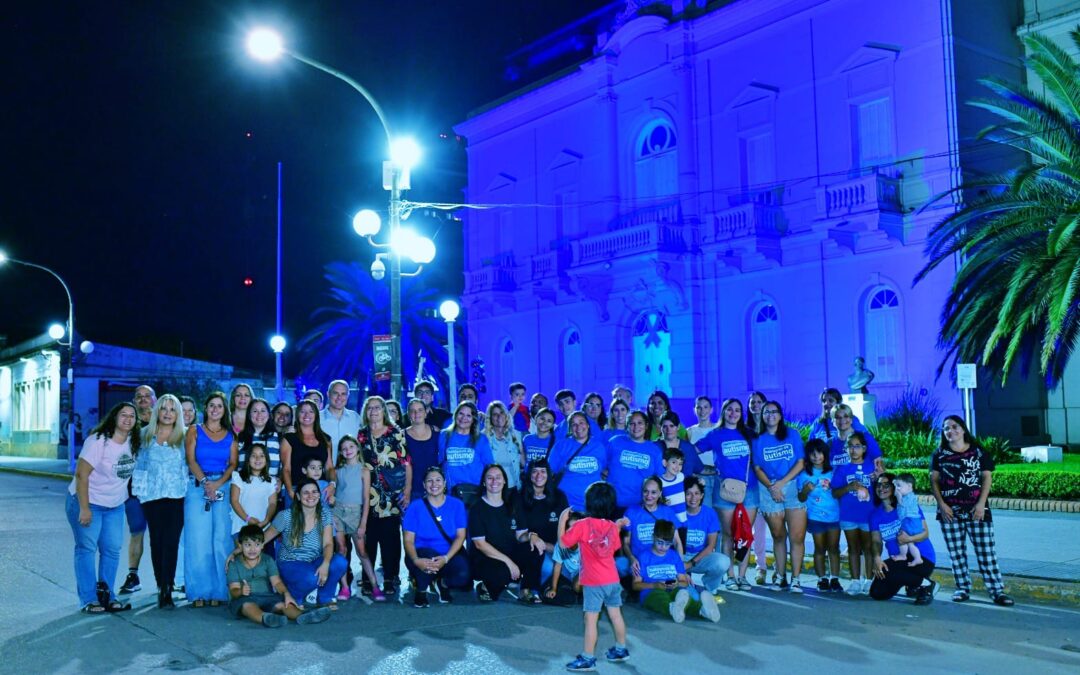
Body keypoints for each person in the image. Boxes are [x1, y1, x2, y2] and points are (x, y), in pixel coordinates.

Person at [930, 415, 1013, 606]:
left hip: (977, 511)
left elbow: (986, 478)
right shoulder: (939, 454)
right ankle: (962, 588)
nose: (950, 431)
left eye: (954, 427)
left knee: (986, 553)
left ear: (963, 429)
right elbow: (933, 480)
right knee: (956, 553)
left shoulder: (978, 451)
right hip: (949, 512)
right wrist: (942, 505)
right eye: (946, 428)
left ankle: (997, 591)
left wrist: (981, 504)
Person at [66, 402, 139, 613]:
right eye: (123, 414)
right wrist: (84, 508)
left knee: (112, 549)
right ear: (114, 417)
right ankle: (89, 599)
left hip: (115, 505)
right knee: (87, 549)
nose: (127, 419)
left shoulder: (134, 441)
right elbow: (81, 474)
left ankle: (107, 595)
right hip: (88, 501)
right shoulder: (99, 441)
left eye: (132, 416)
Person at [562, 482, 631, 671]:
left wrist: (562, 521)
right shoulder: (611, 526)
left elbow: (565, 542)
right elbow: (614, 547)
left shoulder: (582, 525)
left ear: (588, 503)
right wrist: (617, 527)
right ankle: (621, 649)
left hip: (593, 582)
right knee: (615, 615)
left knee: (590, 619)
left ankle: (588, 658)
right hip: (612, 579)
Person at [695, 397, 759, 591]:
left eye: (737, 410)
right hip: (724, 491)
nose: (733, 413)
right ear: (723, 412)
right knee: (728, 535)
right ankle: (730, 576)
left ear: (741, 413)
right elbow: (692, 450)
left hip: (749, 490)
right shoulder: (715, 434)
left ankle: (743, 576)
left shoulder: (749, 434)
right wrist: (704, 469)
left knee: (745, 534)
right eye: (729, 409)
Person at [256, 477, 349, 609]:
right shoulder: (286, 516)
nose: (311, 496)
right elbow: (263, 539)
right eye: (306, 492)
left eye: (314, 492)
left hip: (313, 560)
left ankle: (325, 598)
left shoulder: (325, 514)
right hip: (290, 563)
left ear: (319, 495)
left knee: (340, 562)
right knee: (311, 577)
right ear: (298, 496)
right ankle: (294, 597)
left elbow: (328, 544)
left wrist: (325, 564)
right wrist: (239, 550)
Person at [133, 394, 188, 609]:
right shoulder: (144, 435)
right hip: (151, 497)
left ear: (178, 414)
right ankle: (160, 585)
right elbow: (137, 465)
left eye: (172, 409)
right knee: (156, 541)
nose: (167, 413)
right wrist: (138, 493)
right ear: (157, 411)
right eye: (164, 408)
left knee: (171, 542)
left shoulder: (185, 436)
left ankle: (168, 586)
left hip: (176, 497)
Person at [184, 391, 238, 607]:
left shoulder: (230, 435)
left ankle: (220, 591)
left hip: (222, 487)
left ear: (225, 411)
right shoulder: (194, 431)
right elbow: (191, 460)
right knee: (198, 540)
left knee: (221, 539)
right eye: (212, 405)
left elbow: (233, 464)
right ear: (205, 409)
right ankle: (199, 591)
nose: (215, 409)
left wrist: (218, 483)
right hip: (198, 487)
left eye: (219, 406)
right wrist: (206, 483)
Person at [358, 395, 411, 598]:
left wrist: (407, 491)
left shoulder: (395, 433)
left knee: (391, 539)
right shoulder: (361, 434)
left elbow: (407, 464)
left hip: (391, 494)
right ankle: (368, 578)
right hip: (368, 493)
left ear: (383, 411)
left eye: (377, 407)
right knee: (369, 539)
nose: (373, 411)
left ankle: (390, 577)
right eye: (370, 408)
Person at [227, 524, 330, 627]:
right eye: (248, 545)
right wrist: (241, 591)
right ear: (240, 546)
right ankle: (265, 618)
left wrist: (286, 594)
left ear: (262, 545)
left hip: (267, 597)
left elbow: (276, 582)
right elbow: (233, 590)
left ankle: (303, 616)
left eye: (257, 544)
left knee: (284, 604)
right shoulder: (234, 564)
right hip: (245, 598)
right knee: (247, 606)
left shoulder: (267, 560)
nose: (252, 549)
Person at [752, 400, 807, 592]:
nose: (770, 415)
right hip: (768, 488)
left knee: (797, 536)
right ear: (762, 416)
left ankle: (796, 579)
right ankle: (781, 576)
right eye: (766, 412)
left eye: (774, 411)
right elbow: (757, 468)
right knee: (778, 535)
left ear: (780, 414)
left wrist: (781, 484)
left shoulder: (792, 434)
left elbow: (801, 462)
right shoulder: (758, 439)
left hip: (791, 486)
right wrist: (772, 487)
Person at [468, 464, 541, 602]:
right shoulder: (477, 508)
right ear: (484, 482)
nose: (494, 481)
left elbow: (520, 536)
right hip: (487, 556)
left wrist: (532, 536)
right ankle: (483, 585)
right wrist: (509, 563)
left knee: (534, 549)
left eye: (498, 477)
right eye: (490, 478)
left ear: (504, 481)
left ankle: (525, 590)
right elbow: (480, 544)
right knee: (502, 573)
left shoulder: (513, 504)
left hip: (509, 552)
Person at [403, 466, 470, 608]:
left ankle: (442, 583)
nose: (434, 484)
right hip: (421, 554)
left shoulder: (457, 505)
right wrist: (415, 560)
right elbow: (408, 540)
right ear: (424, 485)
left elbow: (460, 536)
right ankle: (421, 590)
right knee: (429, 557)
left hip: (448, 554)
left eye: (438, 480)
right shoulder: (415, 507)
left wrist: (446, 558)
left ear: (444, 483)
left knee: (464, 575)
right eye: (430, 481)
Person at [632, 518, 721, 624]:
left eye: (667, 544)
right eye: (660, 542)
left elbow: (684, 582)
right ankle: (672, 608)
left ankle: (703, 611)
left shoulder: (674, 556)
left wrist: (677, 583)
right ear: (653, 537)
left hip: (672, 588)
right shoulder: (643, 557)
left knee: (683, 594)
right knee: (660, 597)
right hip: (651, 591)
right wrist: (655, 585)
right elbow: (636, 585)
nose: (663, 547)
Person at [868, 474, 939, 605]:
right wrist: (877, 558)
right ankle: (912, 584)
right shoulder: (875, 515)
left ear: (894, 487)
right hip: (899, 559)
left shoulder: (908, 505)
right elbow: (876, 541)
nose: (881, 488)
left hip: (922, 558)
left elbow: (925, 533)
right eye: (879, 485)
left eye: (886, 485)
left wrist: (909, 539)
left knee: (891, 570)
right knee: (877, 593)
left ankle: (926, 584)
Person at [332, 435, 382, 602]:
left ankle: (375, 585)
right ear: (340, 452)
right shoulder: (338, 471)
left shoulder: (364, 470)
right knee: (341, 549)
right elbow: (334, 491)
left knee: (362, 551)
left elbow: (366, 498)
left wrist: (363, 523)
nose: (348, 451)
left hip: (356, 513)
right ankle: (344, 587)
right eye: (344, 448)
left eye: (351, 447)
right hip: (337, 511)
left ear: (357, 449)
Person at [513, 459, 570, 603]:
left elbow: (567, 530)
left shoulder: (560, 497)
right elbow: (520, 536)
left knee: (569, 569)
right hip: (532, 549)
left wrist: (556, 549)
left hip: (557, 549)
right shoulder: (520, 498)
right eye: (535, 471)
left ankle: (550, 589)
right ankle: (530, 589)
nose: (539, 475)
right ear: (529, 475)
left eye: (543, 471)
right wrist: (533, 537)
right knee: (548, 567)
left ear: (549, 474)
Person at [119, 385, 155, 595]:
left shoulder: (164, 422)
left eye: (147, 396)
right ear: (134, 401)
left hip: (160, 490)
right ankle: (133, 576)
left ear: (154, 399)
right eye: (139, 397)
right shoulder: (128, 426)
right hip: (134, 490)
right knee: (137, 532)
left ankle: (167, 579)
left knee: (162, 536)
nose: (143, 399)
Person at [831, 431, 876, 595]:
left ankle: (869, 581)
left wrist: (877, 479)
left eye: (857, 446)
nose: (853, 450)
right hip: (848, 515)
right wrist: (848, 487)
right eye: (850, 446)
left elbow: (883, 489)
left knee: (868, 547)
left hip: (868, 515)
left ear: (864, 448)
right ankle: (855, 581)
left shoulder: (872, 466)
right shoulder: (842, 468)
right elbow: (835, 493)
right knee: (853, 548)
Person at [797, 439, 842, 592]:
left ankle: (834, 578)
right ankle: (822, 579)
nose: (816, 457)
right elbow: (801, 498)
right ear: (808, 456)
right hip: (815, 517)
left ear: (825, 453)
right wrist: (805, 490)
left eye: (820, 453)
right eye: (812, 454)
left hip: (834, 516)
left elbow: (839, 492)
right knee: (820, 548)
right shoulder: (804, 475)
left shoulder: (833, 471)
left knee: (834, 548)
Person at [621, 476, 682, 576]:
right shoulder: (631, 512)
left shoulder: (668, 512)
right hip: (639, 561)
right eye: (646, 491)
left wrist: (680, 567)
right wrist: (632, 558)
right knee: (619, 564)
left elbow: (677, 542)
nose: (649, 496)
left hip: (663, 562)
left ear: (660, 493)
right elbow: (626, 543)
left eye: (653, 492)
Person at [280, 400, 336, 507]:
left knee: (322, 518)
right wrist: (291, 492)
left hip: (320, 490)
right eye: (302, 411)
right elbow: (286, 469)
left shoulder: (326, 439)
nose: (307, 415)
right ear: (297, 415)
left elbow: (329, 467)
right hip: (296, 489)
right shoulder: (289, 439)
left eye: (311, 411)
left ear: (316, 415)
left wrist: (332, 484)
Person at [548, 412, 608, 512]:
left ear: (588, 425)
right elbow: (550, 471)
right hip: (566, 503)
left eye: (581, 422)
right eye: (574, 424)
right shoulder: (561, 445)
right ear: (570, 429)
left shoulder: (598, 447)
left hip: (591, 504)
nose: (578, 427)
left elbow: (603, 470)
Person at [606, 411, 664, 514]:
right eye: (632, 423)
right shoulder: (615, 442)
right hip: (611, 504)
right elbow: (601, 465)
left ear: (646, 426)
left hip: (640, 507)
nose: (636, 427)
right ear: (627, 426)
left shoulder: (654, 450)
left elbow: (660, 477)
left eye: (640, 423)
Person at [439, 401, 493, 509]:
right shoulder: (444, 435)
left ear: (473, 419)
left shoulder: (481, 439)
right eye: (461, 413)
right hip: (450, 494)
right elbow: (440, 461)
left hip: (474, 494)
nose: (464, 418)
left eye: (469, 415)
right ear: (456, 415)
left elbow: (489, 466)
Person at [682, 476, 730, 596]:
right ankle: (683, 583)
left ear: (702, 495)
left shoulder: (709, 513)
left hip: (700, 556)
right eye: (688, 494)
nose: (693, 498)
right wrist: (681, 564)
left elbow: (710, 546)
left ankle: (710, 586)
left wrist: (690, 563)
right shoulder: (678, 513)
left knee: (723, 561)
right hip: (680, 556)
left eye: (696, 493)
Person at [229, 444, 279, 537]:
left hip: (262, 527)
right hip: (241, 526)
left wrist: (266, 520)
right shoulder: (238, 477)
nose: (257, 458)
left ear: (266, 460)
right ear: (248, 459)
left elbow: (272, 503)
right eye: (253, 455)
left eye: (262, 455)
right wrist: (248, 519)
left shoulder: (271, 481)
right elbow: (234, 501)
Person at [484, 400, 526, 495]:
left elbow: (523, 463)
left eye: (502, 413)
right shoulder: (484, 437)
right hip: (493, 488)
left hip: (514, 487)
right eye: (495, 414)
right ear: (490, 418)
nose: (499, 417)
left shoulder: (516, 435)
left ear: (506, 415)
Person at [828, 404, 882, 472]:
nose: (842, 420)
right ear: (832, 421)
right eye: (838, 417)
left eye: (846, 416)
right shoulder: (829, 444)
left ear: (851, 419)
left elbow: (879, 464)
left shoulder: (866, 438)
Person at [404, 399, 441, 499]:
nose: (417, 413)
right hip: (412, 489)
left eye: (420, 410)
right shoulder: (402, 436)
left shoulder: (436, 431)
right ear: (408, 414)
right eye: (413, 411)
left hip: (435, 487)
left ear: (425, 413)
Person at [545, 511, 583, 605]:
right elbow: (557, 566)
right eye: (569, 527)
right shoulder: (561, 545)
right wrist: (553, 588)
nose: (572, 530)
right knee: (576, 586)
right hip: (573, 574)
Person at [238, 398, 281, 478]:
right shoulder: (240, 437)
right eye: (255, 411)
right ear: (249, 415)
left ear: (269, 414)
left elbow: (284, 466)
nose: (259, 414)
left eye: (263, 411)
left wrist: (280, 480)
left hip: (271, 484)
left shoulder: (278, 437)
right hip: (245, 484)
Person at [322, 380, 362, 463]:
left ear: (348, 396)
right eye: (335, 393)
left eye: (343, 394)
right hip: (322, 469)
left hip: (350, 469)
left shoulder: (355, 418)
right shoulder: (317, 418)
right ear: (328, 394)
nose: (339, 397)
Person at [656, 411, 704, 479]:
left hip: (686, 485)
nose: (668, 429)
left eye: (672, 426)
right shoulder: (654, 447)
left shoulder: (688, 448)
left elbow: (700, 469)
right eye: (665, 426)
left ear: (678, 427)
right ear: (661, 428)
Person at [891, 474, 924, 566]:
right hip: (912, 522)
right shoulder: (908, 496)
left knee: (901, 537)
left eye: (899, 485)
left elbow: (902, 504)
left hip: (910, 521)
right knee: (910, 543)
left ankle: (903, 555)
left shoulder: (910, 497)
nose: (897, 488)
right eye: (896, 486)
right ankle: (917, 558)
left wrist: (898, 496)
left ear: (909, 486)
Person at [658, 447, 689, 524]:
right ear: (665, 463)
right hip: (669, 522)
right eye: (674, 462)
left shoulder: (681, 476)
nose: (677, 467)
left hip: (684, 520)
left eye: (680, 464)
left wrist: (700, 481)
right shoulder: (659, 481)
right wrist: (662, 501)